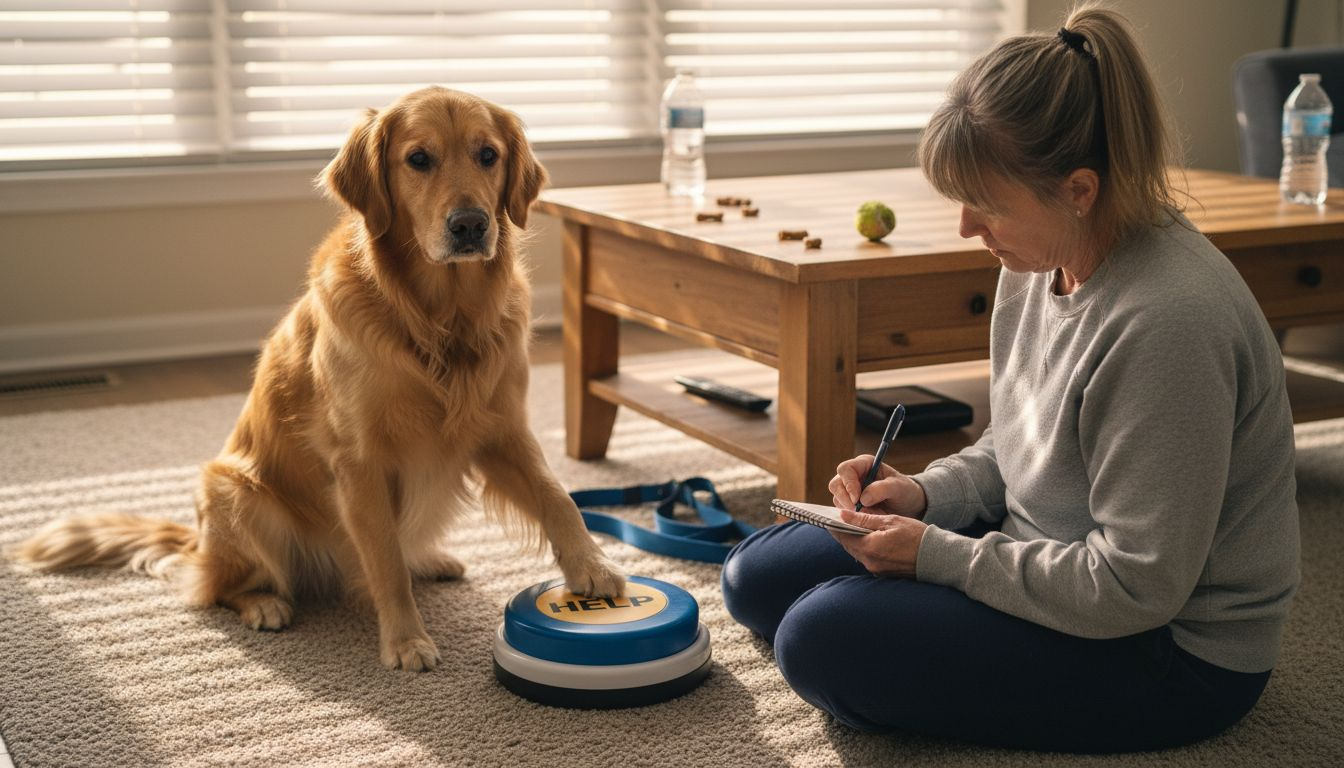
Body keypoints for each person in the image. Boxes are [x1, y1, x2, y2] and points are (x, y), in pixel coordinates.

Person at [720, 3, 1300, 754]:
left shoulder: (1168, 322)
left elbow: (1134, 587)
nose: (966, 227)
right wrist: (931, 494)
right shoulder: (1041, 254)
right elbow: (1021, 443)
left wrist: (938, 558)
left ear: (1080, 189)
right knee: (754, 578)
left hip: (1169, 648)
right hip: (1048, 553)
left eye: (986, 205)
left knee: (817, 637)